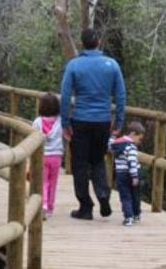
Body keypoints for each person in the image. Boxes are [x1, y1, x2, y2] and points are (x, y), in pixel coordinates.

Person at [59, 27, 127, 220]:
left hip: (80, 120)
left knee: (79, 164)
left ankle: (85, 206)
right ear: (98, 42)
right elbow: (120, 96)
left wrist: (65, 123)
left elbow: (65, 97)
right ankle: (103, 195)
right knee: (97, 160)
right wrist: (118, 122)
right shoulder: (111, 64)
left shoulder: (74, 65)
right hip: (103, 121)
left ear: (82, 43)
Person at [31, 92, 64, 219]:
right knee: (53, 182)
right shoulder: (60, 122)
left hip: (42, 155)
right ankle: (50, 207)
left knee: (43, 181)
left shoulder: (37, 122)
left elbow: (33, 137)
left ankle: (43, 205)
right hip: (56, 156)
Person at [110, 121, 145, 226]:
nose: (139, 141)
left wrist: (112, 136)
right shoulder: (131, 147)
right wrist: (135, 176)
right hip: (132, 173)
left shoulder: (117, 144)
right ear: (133, 134)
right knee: (135, 195)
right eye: (139, 138)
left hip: (121, 174)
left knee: (125, 196)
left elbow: (110, 143)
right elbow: (132, 161)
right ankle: (135, 214)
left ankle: (128, 217)